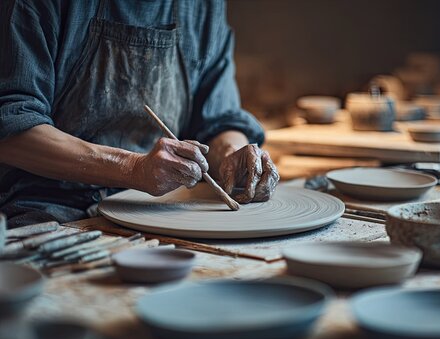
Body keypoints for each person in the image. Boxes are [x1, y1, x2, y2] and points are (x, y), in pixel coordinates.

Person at [0, 0, 279, 228]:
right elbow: (11, 127)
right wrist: (132, 168)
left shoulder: (202, 6)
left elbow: (219, 120)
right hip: (49, 202)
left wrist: (233, 154)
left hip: (161, 206)